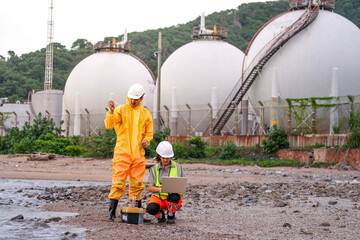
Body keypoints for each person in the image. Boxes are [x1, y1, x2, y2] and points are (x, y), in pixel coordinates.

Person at [104, 83, 153, 222]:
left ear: (142, 98)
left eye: (136, 99)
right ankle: (111, 214)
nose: (133, 101)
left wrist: (146, 141)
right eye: (131, 98)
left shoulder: (145, 114)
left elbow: (149, 133)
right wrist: (112, 112)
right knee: (118, 182)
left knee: (137, 184)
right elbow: (109, 124)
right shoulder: (120, 110)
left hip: (138, 155)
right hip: (122, 153)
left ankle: (136, 213)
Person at [146, 141, 186, 224]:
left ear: (171, 157)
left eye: (167, 158)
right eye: (163, 157)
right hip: (158, 197)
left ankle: (171, 214)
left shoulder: (178, 167)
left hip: (171, 197)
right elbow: (150, 188)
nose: (165, 160)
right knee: (150, 208)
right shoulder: (154, 169)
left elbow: (183, 184)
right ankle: (160, 215)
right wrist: (161, 189)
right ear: (159, 156)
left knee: (175, 197)